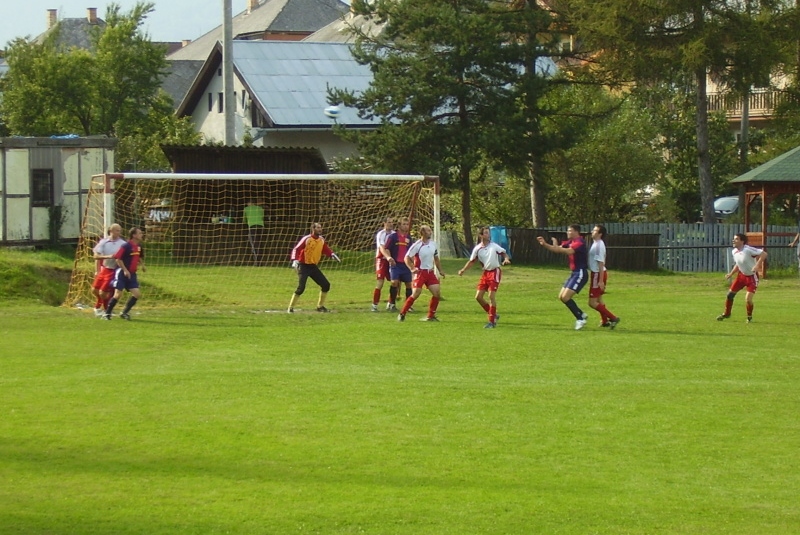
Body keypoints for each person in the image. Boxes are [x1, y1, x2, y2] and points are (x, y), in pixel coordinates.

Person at [536, 224, 590, 330]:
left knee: (566, 297)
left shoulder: (579, 242)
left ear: (576, 232)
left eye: (570, 231)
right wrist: (545, 244)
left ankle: (580, 319)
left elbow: (567, 251)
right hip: (574, 273)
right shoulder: (570, 242)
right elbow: (557, 250)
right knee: (561, 296)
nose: (567, 232)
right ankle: (581, 314)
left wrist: (554, 244)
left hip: (580, 273)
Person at [457, 226, 511, 328]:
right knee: (478, 297)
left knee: (491, 296)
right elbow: (472, 261)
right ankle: (493, 314)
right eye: (486, 233)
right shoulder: (477, 249)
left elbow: (504, 253)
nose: (488, 235)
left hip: (495, 272)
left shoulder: (494, 246)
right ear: (481, 235)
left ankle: (491, 322)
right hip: (486, 273)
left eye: (488, 233)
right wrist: (463, 270)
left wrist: (506, 259)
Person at [288, 222, 341, 313]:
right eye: (318, 228)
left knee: (326, 285)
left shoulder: (321, 239)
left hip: (313, 267)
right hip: (303, 266)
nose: (320, 229)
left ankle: (320, 306)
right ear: (313, 229)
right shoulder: (307, 239)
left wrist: (332, 254)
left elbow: (325, 249)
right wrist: (295, 260)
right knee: (301, 288)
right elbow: (296, 249)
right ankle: (290, 307)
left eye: (320, 228)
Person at [398, 224, 445, 322]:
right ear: (422, 232)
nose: (430, 232)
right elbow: (406, 258)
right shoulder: (417, 245)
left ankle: (431, 316)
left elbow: (436, 258)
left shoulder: (433, 244)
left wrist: (440, 270)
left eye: (430, 230)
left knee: (437, 293)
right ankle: (402, 313)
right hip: (420, 273)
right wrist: (412, 268)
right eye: (428, 230)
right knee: (415, 294)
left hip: (430, 272)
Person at [717, 233, 767, 323]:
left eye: (736, 239)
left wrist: (757, 265)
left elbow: (764, 254)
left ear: (742, 241)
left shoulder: (747, 249)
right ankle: (727, 313)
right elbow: (738, 264)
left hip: (752, 277)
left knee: (748, 299)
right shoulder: (734, 251)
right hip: (741, 276)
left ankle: (749, 317)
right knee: (729, 295)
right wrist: (731, 274)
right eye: (734, 239)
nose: (733, 240)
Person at [103, 227, 145, 320]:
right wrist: (125, 270)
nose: (141, 235)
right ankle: (107, 313)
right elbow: (118, 258)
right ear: (134, 235)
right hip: (122, 273)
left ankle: (124, 312)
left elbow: (139, 256)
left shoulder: (139, 246)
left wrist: (142, 265)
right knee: (118, 295)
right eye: (139, 233)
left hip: (132, 274)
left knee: (137, 294)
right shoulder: (126, 246)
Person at [588, 225, 620, 329]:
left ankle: (613, 318)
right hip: (597, 274)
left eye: (595, 230)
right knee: (599, 299)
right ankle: (604, 321)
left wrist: (600, 281)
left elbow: (601, 263)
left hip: (598, 274)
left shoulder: (598, 246)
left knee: (592, 303)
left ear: (600, 234)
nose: (592, 231)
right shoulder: (597, 243)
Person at [91, 223, 126, 317]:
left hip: (114, 270)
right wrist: (97, 269)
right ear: (111, 231)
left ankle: (105, 310)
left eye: (120, 230)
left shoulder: (122, 243)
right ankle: (102, 307)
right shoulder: (103, 242)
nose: (119, 232)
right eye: (117, 230)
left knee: (103, 292)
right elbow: (96, 256)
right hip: (104, 269)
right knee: (94, 290)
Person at [381, 216, 414, 312]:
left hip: (405, 265)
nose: (406, 226)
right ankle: (392, 303)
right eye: (403, 224)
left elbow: (411, 251)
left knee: (408, 284)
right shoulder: (393, 237)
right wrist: (390, 258)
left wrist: (413, 263)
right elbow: (387, 248)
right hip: (396, 264)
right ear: (399, 226)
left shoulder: (409, 238)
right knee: (394, 282)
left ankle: (408, 305)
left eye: (407, 224)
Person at [371, 216, 394, 311]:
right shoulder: (381, 234)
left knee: (395, 282)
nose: (390, 224)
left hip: (391, 260)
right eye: (388, 222)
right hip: (381, 259)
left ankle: (391, 303)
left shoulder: (394, 234)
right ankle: (374, 305)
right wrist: (387, 257)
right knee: (380, 282)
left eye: (392, 222)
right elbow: (381, 247)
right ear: (384, 223)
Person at [243, 198, 266, 265]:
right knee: (260, 243)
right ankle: (260, 260)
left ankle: (257, 261)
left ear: (249, 203)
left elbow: (244, 220)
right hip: (261, 226)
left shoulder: (246, 209)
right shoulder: (260, 208)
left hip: (252, 226)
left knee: (254, 243)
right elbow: (262, 217)